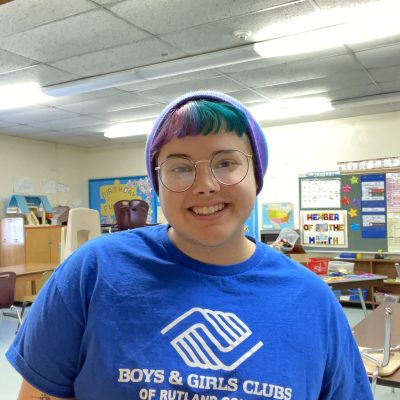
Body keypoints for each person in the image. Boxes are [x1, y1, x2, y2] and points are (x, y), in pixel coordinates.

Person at [7, 91, 372, 400]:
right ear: (158, 185)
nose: (205, 185)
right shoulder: (92, 272)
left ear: (256, 175)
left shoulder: (312, 300)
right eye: (180, 167)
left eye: (226, 163)